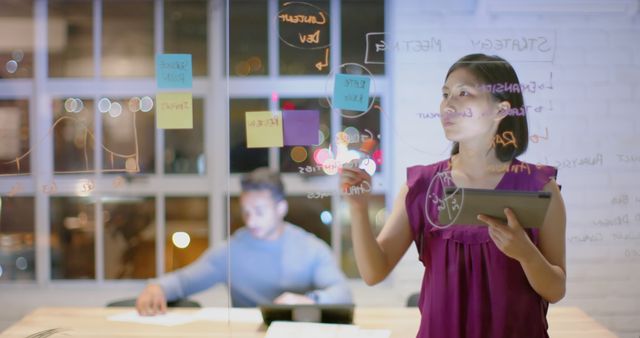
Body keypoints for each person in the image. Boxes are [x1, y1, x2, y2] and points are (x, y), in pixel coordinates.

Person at [341, 54, 566, 337]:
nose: (448, 104)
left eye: (464, 93)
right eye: (445, 94)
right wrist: (358, 209)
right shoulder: (423, 186)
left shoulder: (541, 187)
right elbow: (374, 272)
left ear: (501, 110)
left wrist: (526, 254)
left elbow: (556, 289)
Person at [136, 167, 352, 315]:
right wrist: (157, 287)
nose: (251, 220)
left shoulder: (310, 248)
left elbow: (342, 293)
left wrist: (309, 301)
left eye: (259, 211)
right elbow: (184, 281)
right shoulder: (232, 251)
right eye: (246, 212)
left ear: (281, 208)